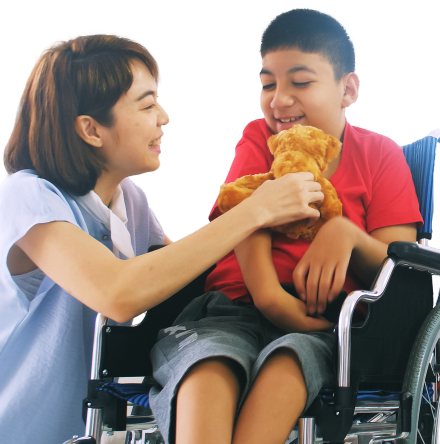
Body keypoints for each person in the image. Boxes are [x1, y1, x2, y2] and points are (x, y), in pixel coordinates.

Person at [0, 32, 323, 444]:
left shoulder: (127, 200)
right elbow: (119, 292)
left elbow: (176, 280)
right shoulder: (28, 197)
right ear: (91, 130)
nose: (163, 118)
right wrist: (254, 210)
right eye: (146, 105)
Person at [148, 8, 424, 444]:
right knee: (207, 366)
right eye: (267, 83)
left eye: (300, 82)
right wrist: (271, 298)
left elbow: (400, 272)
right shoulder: (259, 138)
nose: (278, 100)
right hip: (231, 307)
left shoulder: (381, 155)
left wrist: (347, 236)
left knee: (289, 364)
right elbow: (244, 216)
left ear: (347, 88)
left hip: (323, 323)